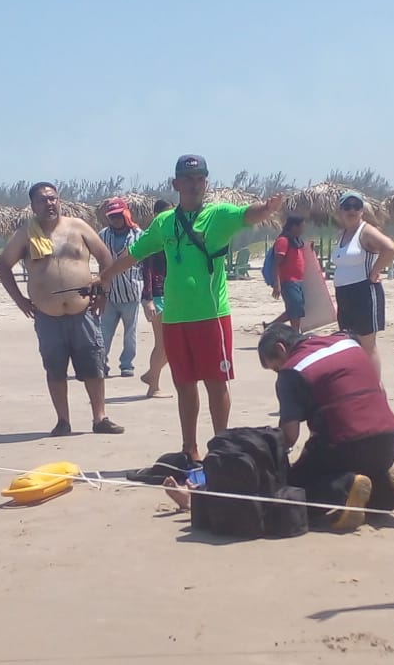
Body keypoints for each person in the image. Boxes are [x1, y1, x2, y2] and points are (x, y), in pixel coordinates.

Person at [101, 156, 284, 461]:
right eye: (188, 179)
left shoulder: (218, 215)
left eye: (200, 178)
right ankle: (190, 448)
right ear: (176, 183)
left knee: (216, 384)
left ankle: (221, 448)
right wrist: (104, 276)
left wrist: (266, 209)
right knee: (184, 385)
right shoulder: (164, 222)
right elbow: (134, 253)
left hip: (211, 316)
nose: (194, 184)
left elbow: (246, 215)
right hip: (175, 318)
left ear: (206, 182)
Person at [256, 323, 394, 531]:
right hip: (388, 442)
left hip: (344, 447)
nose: (278, 372)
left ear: (281, 348)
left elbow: (290, 435)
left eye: (275, 367)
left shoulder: (292, 371)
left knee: (297, 490)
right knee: (364, 482)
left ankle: (346, 487)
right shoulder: (347, 341)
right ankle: (389, 489)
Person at [0, 183, 124, 437]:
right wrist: (20, 300)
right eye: (42, 200)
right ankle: (63, 421)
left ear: (59, 200)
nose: (49, 204)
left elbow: (105, 258)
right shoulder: (26, 233)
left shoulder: (78, 227)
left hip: (83, 311)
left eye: (53, 199)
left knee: (94, 366)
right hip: (47, 316)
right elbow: (3, 265)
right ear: (33, 206)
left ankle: (100, 418)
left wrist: (103, 292)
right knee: (55, 369)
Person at [331, 194, 394, 373]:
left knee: (367, 345)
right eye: (347, 206)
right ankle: (359, 380)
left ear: (362, 210)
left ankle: (374, 385)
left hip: (364, 292)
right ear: (340, 211)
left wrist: (376, 270)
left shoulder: (366, 231)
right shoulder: (342, 234)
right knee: (350, 342)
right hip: (344, 294)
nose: (352, 210)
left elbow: (390, 248)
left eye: (356, 206)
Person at [97, 197, 142, 378]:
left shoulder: (138, 235)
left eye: (118, 215)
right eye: (112, 216)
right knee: (103, 333)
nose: (115, 219)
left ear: (125, 214)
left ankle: (127, 365)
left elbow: (146, 263)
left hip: (131, 292)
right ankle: (101, 364)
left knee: (130, 333)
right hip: (109, 293)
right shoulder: (102, 236)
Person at [139, 197, 171, 397]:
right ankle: (154, 385)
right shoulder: (152, 236)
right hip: (157, 295)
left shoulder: (171, 234)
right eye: (165, 213)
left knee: (172, 344)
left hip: (172, 293)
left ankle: (152, 374)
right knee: (162, 343)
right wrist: (148, 299)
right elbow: (146, 270)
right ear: (156, 215)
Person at [269, 213, 308, 329]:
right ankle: (295, 334)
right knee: (295, 309)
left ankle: (270, 326)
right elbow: (276, 264)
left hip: (297, 281)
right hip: (288, 281)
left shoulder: (295, 241)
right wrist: (277, 284)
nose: (303, 230)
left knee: (296, 308)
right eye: (301, 227)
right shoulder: (283, 241)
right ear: (294, 226)